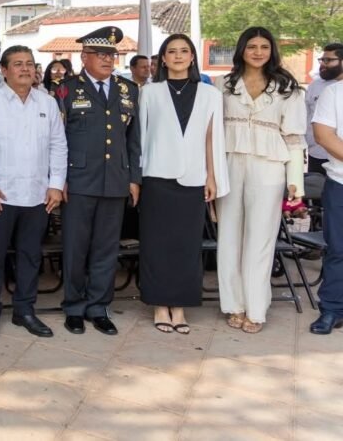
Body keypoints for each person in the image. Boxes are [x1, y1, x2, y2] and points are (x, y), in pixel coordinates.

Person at [216, 26, 306, 334]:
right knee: (228, 236)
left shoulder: (288, 89)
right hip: (229, 163)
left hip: (269, 166)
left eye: (264, 47)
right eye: (251, 46)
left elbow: (294, 138)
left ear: (272, 51)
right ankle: (233, 304)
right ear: (241, 49)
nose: (257, 51)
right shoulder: (223, 85)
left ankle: (256, 308)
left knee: (261, 239)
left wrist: (296, 181)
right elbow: (212, 134)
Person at [138, 34, 229, 334]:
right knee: (156, 245)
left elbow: (211, 138)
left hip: (193, 177)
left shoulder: (209, 93)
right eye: (171, 51)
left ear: (192, 57)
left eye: (184, 51)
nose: (178, 56)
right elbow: (141, 136)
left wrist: (212, 176)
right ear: (162, 59)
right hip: (157, 177)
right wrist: (137, 178)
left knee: (187, 247)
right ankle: (159, 305)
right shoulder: (150, 92)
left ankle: (179, 307)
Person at [55, 26, 141, 336]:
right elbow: (57, 139)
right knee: (76, 248)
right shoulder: (64, 89)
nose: (108, 60)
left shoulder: (128, 89)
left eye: (112, 54)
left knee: (106, 248)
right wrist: (59, 178)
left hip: (115, 179)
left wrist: (134, 178)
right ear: (84, 57)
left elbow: (134, 138)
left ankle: (98, 307)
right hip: (78, 180)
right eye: (101, 54)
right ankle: (74, 308)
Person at [0, 45, 66, 340]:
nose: (25, 69)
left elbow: (58, 145)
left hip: (38, 194)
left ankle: (24, 311)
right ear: (3, 70)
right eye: (18, 64)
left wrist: (56, 184)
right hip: (0, 194)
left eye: (30, 63)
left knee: (30, 256)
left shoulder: (47, 102)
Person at [310, 76, 343, 334]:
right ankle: (332, 309)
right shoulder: (334, 93)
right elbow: (323, 135)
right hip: (340, 183)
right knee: (338, 250)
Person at [307, 43, 343, 176]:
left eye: (329, 60)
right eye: (322, 60)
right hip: (317, 154)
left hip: (340, 163)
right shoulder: (315, 86)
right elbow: (305, 118)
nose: (323, 64)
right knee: (316, 193)